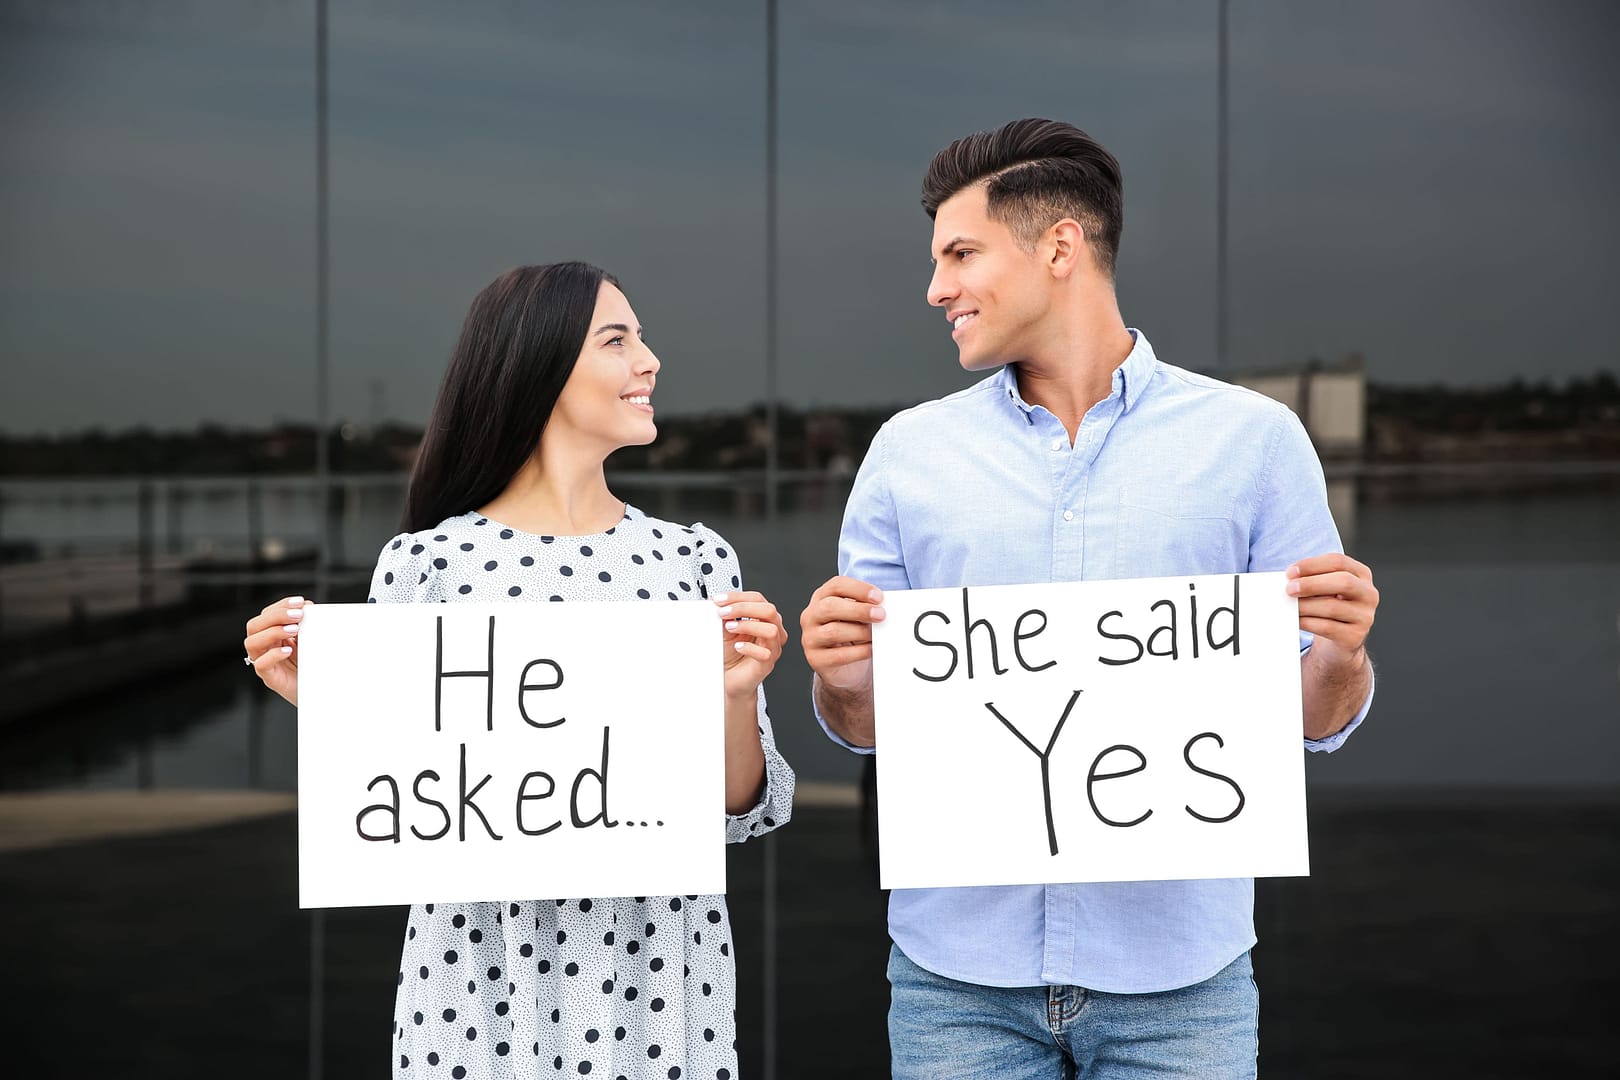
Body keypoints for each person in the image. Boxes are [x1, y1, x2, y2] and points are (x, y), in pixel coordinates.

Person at [798, 119, 1379, 1079]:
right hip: (958, 983)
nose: (937, 287)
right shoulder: (907, 455)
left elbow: (1313, 721)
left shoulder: (1255, 442)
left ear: (1059, 247)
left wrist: (1343, 655)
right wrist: (843, 673)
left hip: (1181, 984)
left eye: (961, 253)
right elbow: (862, 728)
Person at [243, 261, 794, 1080]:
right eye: (619, 340)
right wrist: (325, 705)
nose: (650, 361)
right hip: (477, 984)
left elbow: (743, 809)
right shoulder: (427, 565)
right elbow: (402, 808)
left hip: (658, 980)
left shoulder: (695, 559)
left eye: (640, 338)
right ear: (539, 367)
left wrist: (737, 695)